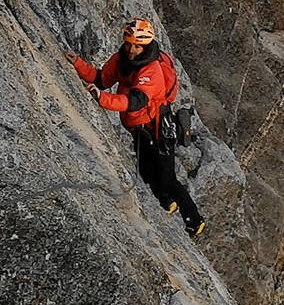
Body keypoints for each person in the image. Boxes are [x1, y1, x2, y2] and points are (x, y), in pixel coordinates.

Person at [64, 18, 205, 237]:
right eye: (129, 43)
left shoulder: (152, 71)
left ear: (147, 45)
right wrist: (78, 63)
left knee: (168, 180)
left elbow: (134, 101)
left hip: (158, 129)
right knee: (145, 171)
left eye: (137, 45)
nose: (132, 49)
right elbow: (101, 78)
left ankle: (195, 220)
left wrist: (103, 99)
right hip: (139, 129)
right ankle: (167, 204)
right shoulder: (122, 59)